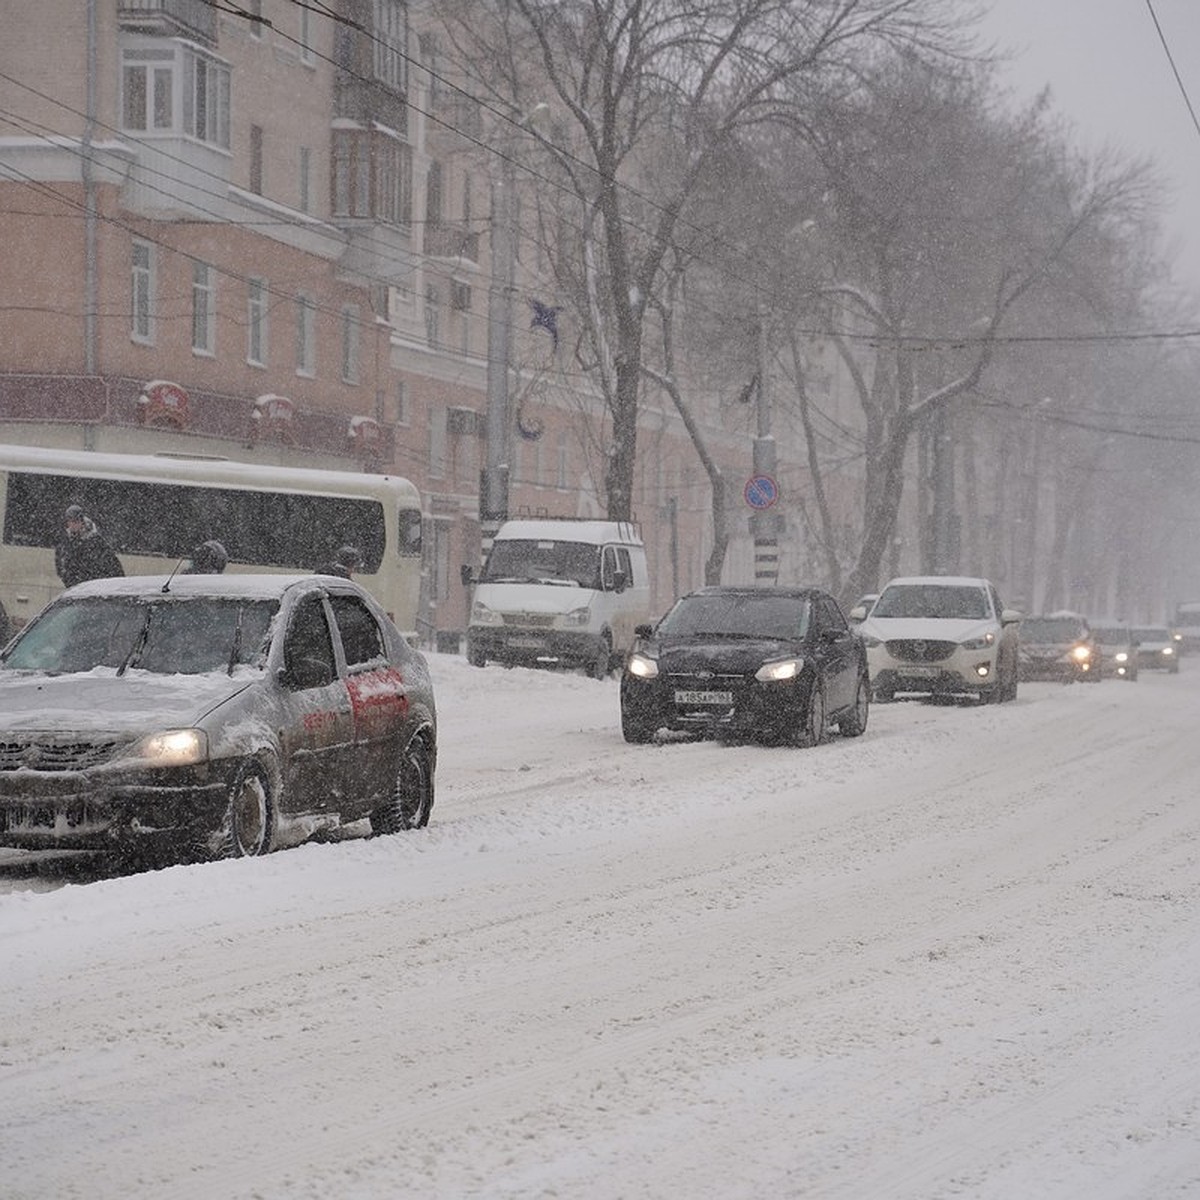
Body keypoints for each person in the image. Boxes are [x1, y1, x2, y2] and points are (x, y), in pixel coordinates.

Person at [55, 504, 124, 589]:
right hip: (77, 588)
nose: (72, 525)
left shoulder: (96, 541)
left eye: (75, 522)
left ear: (82, 522)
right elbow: (61, 564)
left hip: (96, 587)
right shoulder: (65, 542)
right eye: (70, 522)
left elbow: (111, 564)